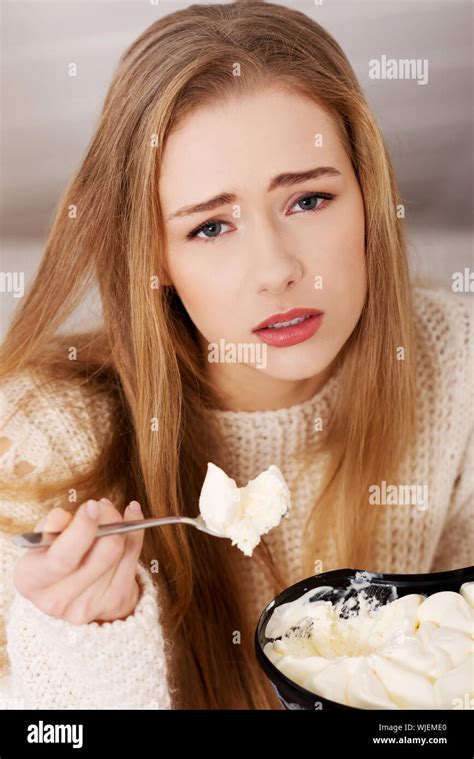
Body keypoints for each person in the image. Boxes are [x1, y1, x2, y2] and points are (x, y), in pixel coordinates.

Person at [0, 0, 472, 710]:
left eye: (309, 200)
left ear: (371, 197)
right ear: (153, 257)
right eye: (212, 226)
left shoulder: (456, 365)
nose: (276, 269)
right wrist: (85, 645)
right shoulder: (41, 440)